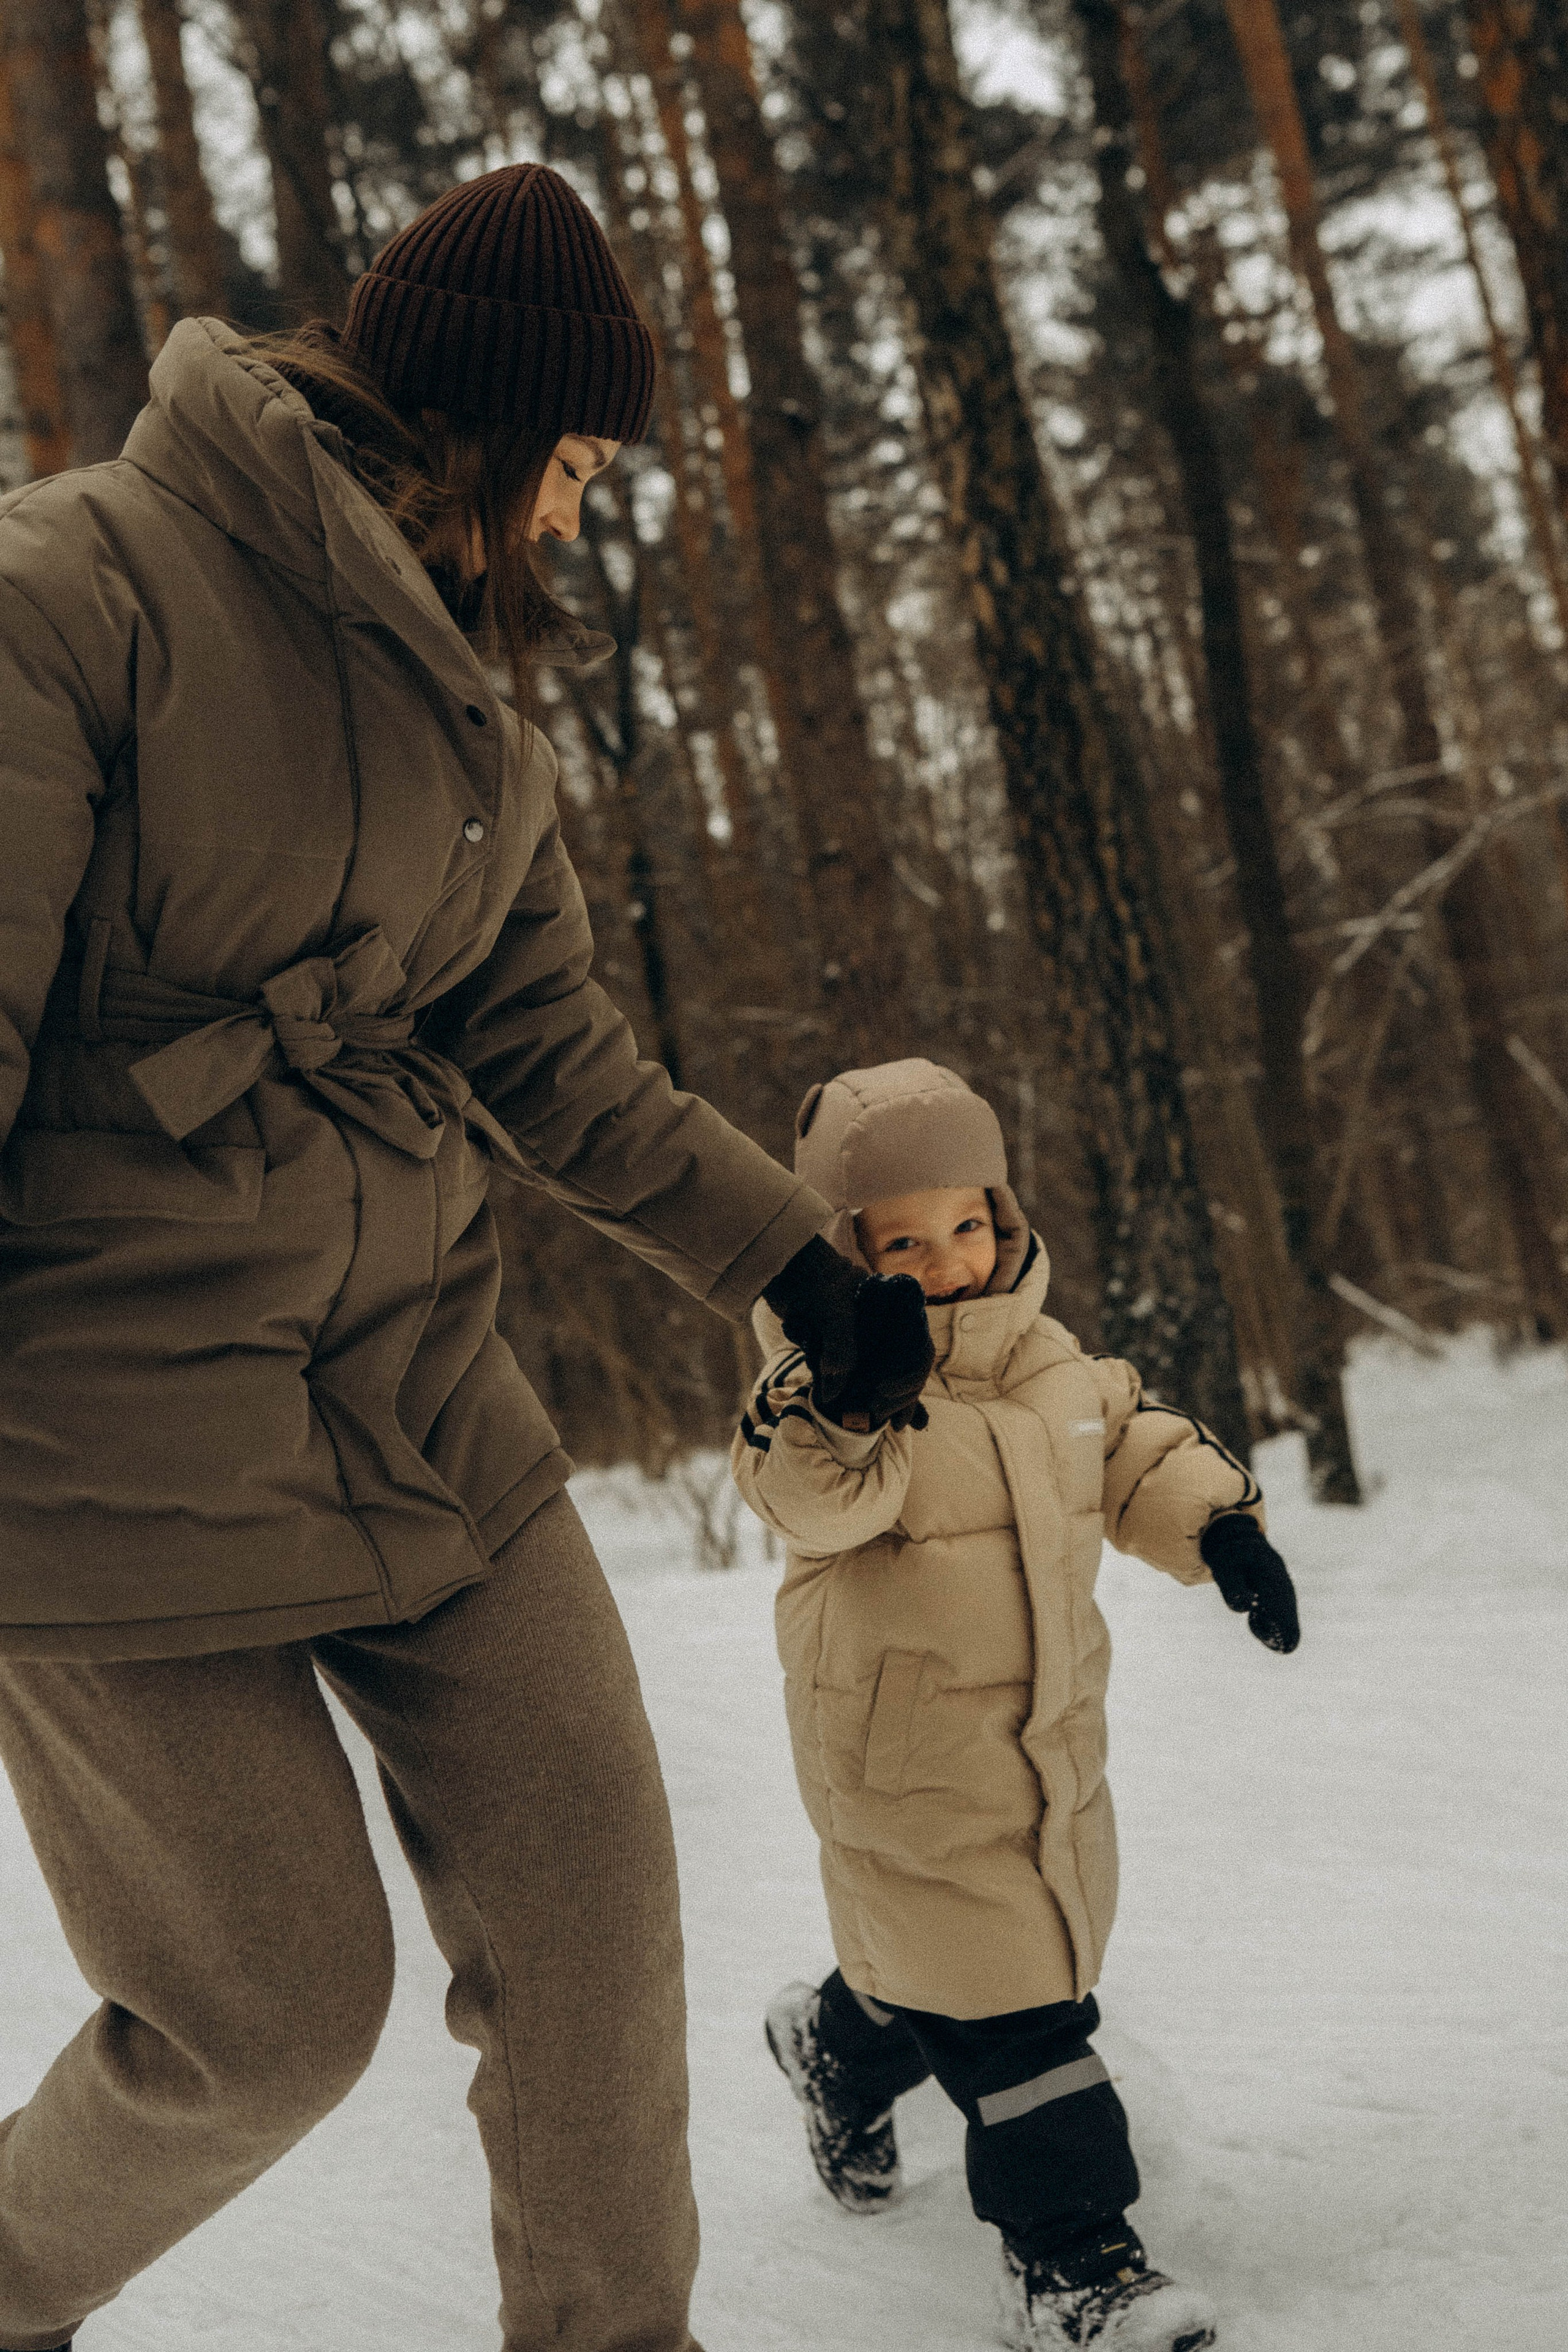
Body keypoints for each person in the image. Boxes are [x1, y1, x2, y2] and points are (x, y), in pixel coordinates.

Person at [0, 165, 932, 2352]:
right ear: (489, 428)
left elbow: (547, 1051)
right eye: (584, 469)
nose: (587, 521)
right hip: (102, 1429)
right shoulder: (71, 584)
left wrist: (797, 1268)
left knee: (594, 1915)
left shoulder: (475, 712)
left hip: (417, 1390)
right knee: (265, 2017)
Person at [731, 1060, 1302, 2352]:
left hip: (1038, 1754)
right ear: (843, 1250)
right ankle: (1072, 2264)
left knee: (959, 1972)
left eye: (970, 1224)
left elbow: (1132, 1441)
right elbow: (804, 1493)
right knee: (1023, 2023)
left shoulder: (1049, 1367)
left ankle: (834, 2040)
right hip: (900, 1763)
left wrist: (1220, 1533)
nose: (949, 1260)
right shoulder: (816, 1400)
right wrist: (849, 1395)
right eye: (905, 1242)